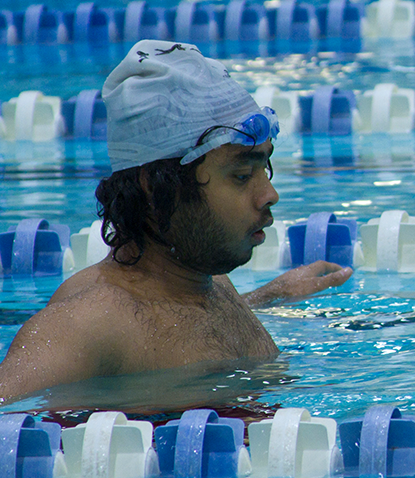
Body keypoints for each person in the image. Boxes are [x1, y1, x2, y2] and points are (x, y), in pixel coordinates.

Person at [0, 40, 353, 403]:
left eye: (264, 168)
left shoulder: (206, 278)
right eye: (242, 175)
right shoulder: (83, 329)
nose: (269, 194)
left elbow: (181, 324)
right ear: (155, 189)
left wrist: (270, 297)